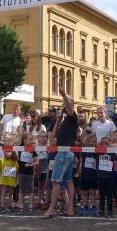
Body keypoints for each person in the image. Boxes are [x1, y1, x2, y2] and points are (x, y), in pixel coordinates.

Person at [42, 84, 79, 218]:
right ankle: (70, 209)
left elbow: (69, 107)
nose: (64, 106)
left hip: (65, 153)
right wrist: (58, 122)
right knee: (68, 181)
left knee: (56, 181)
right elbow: (51, 138)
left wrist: (63, 94)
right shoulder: (63, 121)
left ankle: (51, 209)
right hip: (64, 153)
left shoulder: (73, 117)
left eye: (65, 104)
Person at [77, 133, 99, 216]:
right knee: (84, 192)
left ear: (95, 142)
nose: (91, 143)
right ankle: (84, 206)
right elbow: (81, 161)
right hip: (84, 174)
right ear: (86, 142)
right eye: (89, 141)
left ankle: (94, 207)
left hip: (93, 175)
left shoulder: (97, 151)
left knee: (93, 192)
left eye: (93, 141)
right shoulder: (83, 150)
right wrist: (78, 172)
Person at [17, 133, 39, 215]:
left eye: (32, 139)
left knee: (31, 191)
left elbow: (37, 162)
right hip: (21, 173)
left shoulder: (33, 150)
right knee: (21, 190)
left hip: (30, 174)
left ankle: (30, 208)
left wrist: (30, 165)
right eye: (30, 139)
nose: (32, 141)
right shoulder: (20, 148)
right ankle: (21, 207)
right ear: (25, 140)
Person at [96, 136, 117, 217]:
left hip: (110, 177)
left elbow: (116, 159)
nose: (104, 145)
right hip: (100, 176)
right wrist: (100, 144)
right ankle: (101, 210)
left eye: (106, 144)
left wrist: (111, 148)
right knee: (101, 195)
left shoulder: (111, 152)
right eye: (103, 143)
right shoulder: (98, 151)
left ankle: (110, 211)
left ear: (110, 144)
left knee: (109, 195)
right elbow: (95, 146)